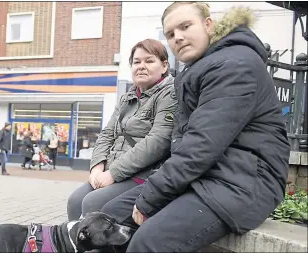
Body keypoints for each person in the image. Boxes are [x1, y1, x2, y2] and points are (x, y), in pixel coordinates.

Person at [100, 3, 290, 252]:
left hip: (243, 183)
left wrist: (152, 196)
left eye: (185, 26)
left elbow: (201, 146)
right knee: (109, 217)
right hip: (208, 175)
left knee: (149, 242)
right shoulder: (204, 66)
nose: (177, 37)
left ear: (208, 25)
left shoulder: (234, 65)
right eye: (170, 34)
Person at [67, 39, 178, 221]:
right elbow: (107, 134)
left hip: (143, 173)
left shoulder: (169, 93)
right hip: (111, 168)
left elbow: (158, 141)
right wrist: (96, 167)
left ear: (164, 66)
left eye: (149, 61)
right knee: (75, 200)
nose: (141, 67)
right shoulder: (127, 97)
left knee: (93, 203)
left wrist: (112, 173)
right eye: (136, 62)